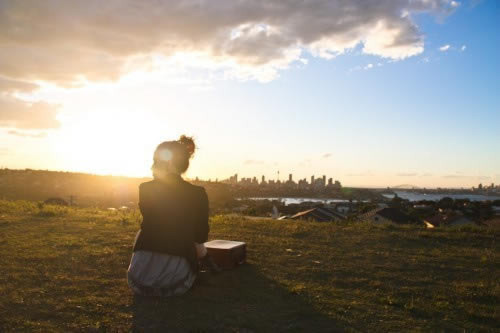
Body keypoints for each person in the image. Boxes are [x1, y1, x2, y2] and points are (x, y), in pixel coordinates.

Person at [127, 135, 219, 297]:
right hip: (177, 285)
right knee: (190, 237)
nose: (152, 167)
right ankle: (209, 265)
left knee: (144, 230)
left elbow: (153, 224)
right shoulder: (198, 194)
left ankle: (206, 264)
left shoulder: (145, 189)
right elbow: (200, 236)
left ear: (169, 163)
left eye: (156, 161)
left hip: (137, 282)